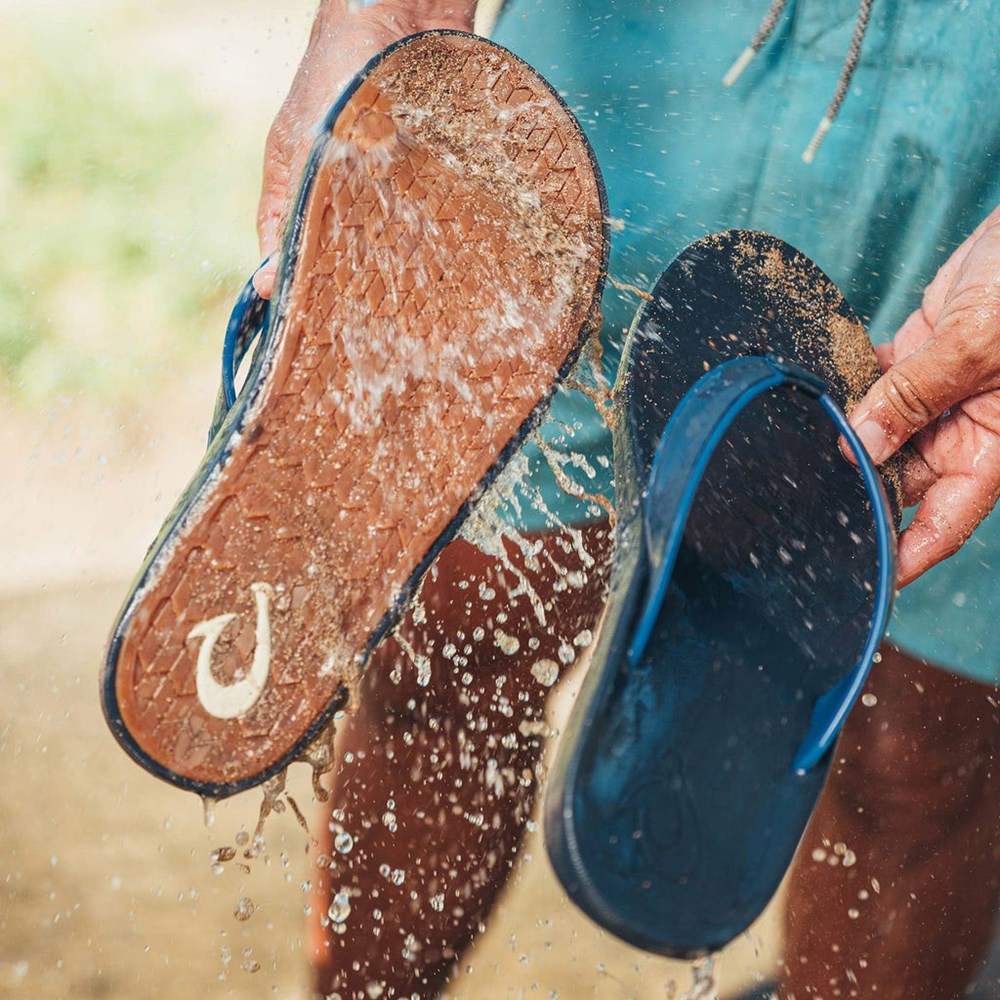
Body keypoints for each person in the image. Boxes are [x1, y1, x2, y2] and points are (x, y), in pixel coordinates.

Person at [254, 2, 1000, 997]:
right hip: (626, 75)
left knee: (919, 751)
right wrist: (385, 13)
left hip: (974, 140)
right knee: (449, 628)